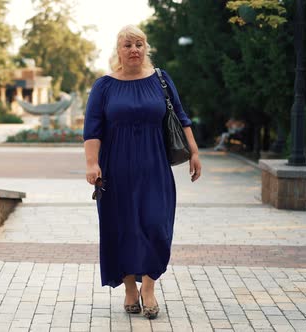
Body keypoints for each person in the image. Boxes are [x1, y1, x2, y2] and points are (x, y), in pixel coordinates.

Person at [83, 25, 202, 320]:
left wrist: (194, 152)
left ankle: (149, 286)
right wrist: (91, 163)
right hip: (116, 168)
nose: (134, 49)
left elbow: (181, 116)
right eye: (127, 45)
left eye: (139, 44)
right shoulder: (104, 86)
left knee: (156, 225)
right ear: (118, 50)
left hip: (155, 167)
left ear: (146, 48)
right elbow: (92, 129)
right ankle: (129, 289)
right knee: (121, 227)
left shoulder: (160, 79)